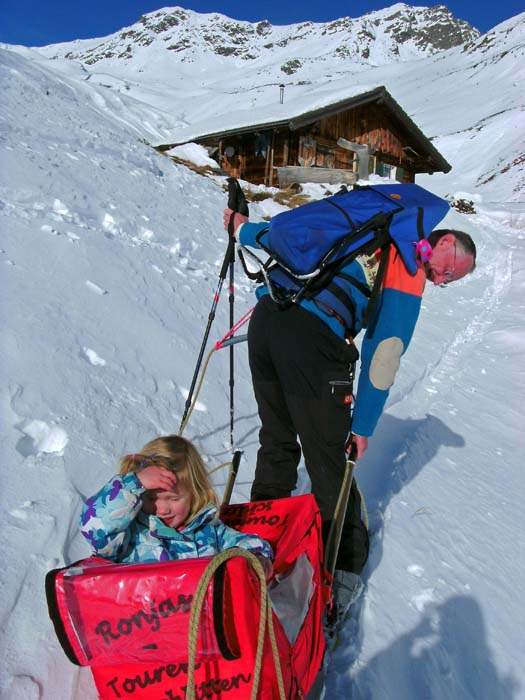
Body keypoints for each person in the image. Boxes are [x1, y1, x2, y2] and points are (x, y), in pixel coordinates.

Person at [223, 204, 476, 627]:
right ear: (444, 242)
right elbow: (385, 353)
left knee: (277, 440)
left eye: (453, 280)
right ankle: (343, 574)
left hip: (268, 321)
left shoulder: (361, 227)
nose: (445, 281)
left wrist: (239, 228)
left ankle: (256, 545)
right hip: (315, 341)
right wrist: (362, 427)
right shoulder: (408, 261)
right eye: (452, 271)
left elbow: (286, 236)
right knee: (331, 464)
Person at [80, 434, 273, 578]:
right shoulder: (130, 534)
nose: (162, 509)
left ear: (194, 494)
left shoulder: (207, 531)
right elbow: (95, 526)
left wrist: (256, 556)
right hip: (146, 625)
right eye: (151, 499)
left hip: (200, 625)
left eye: (172, 499)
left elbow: (242, 543)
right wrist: (133, 484)